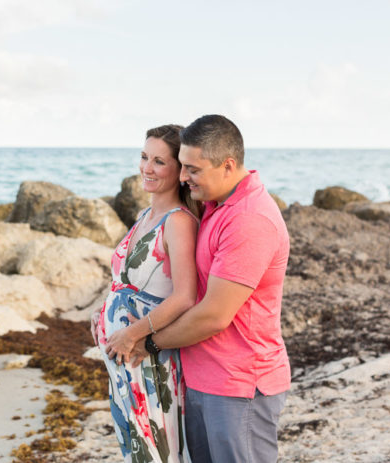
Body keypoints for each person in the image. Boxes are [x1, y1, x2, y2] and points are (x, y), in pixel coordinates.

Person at [124, 115, 291, 463]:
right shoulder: (215, 205)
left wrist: (148, 341)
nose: (183, 177)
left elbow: (214, 315)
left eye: (192, 169)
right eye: (182, 166)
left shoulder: (249, 219)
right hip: (201, 378)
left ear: (227, 166)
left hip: (238, 385)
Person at [91, 124, 202, 463]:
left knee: (156, 452)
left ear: (179, 170)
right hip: (124, 359)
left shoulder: (178, 222)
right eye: (143, 157)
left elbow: (184, 296)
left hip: (149, 359)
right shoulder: (144, 216)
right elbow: (124, 281)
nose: (146, 168)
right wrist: (101, 313)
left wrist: (131, 334)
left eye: (158, 161)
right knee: (135, 447)